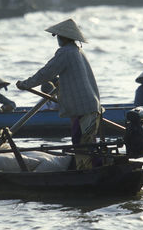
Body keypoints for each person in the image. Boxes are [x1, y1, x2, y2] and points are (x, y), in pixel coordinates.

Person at [16, 18, 102, 170]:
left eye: (58, 37)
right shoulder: (77, 51)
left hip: (82, 109)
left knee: (82, 143)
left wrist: (25, 84)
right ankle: (94, 168)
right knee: (88, 143)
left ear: (63, 38)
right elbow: (67, 75)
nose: (58, 40)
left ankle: (90, 172)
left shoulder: (66, 52)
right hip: (90, 106)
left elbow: (46, 72)